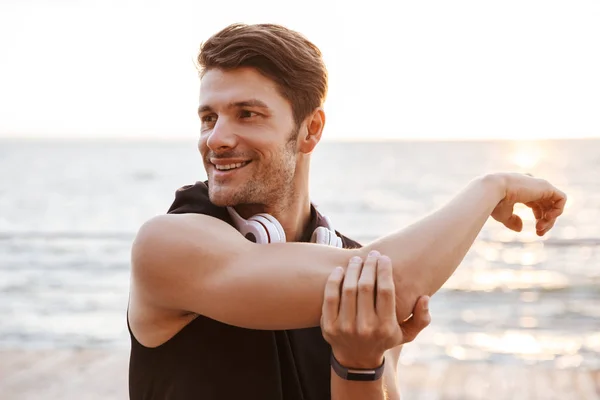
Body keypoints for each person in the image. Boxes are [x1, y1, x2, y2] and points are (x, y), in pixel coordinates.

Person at [127, 23, 567, 400]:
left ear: (310, 129)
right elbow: (397, 280)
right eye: (208, 117)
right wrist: (493, 186)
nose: (216, 138)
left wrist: (359, 364)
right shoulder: (166, 244)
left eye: (247, 114)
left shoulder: (350, 261)